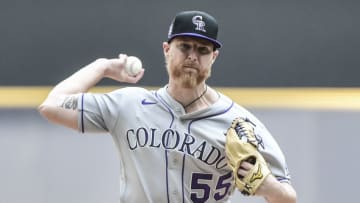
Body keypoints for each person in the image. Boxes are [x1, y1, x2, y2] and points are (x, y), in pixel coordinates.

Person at [38, 10, 297, 203]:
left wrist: (266, 186)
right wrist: (103, 66)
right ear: (167, 49)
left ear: (214, 57)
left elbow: (288, 197)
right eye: (184, 46)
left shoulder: (238, 123)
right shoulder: (128, 105)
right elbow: (52, 105)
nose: (193, 56)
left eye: (203, 49)